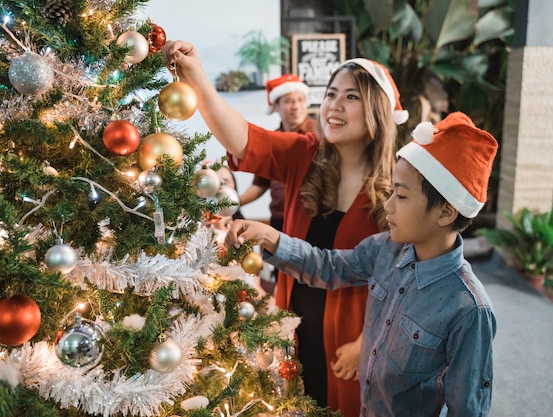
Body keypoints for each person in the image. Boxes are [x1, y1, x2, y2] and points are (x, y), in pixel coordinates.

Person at [161, 40, 408, 416]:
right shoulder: (304, 155)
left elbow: (406, 282)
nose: (334, 106)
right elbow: (239, 136)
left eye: (351, 97)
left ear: (376, 110)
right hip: (295, 327)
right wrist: (196, 75)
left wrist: (369, 342)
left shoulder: (398, 187)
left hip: (358, 340)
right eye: (330, 94)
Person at [225, 112, 498, 417]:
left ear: (446, 213)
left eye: (402, 196)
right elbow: (330, 267)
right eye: (392, 190)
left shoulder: (469, 309)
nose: (388, 204)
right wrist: (272, 238)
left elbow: (468, 409)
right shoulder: (386, 249)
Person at [239, 74, 317, 294]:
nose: (296, 106)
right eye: (289, 101)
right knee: (283, 282)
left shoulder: (319, 134)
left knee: (310, 282)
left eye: (300, 100)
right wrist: (232, 201)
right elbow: (260, 185)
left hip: (310, 220)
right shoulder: (272, 141)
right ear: (276, 106)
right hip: (280, 222)